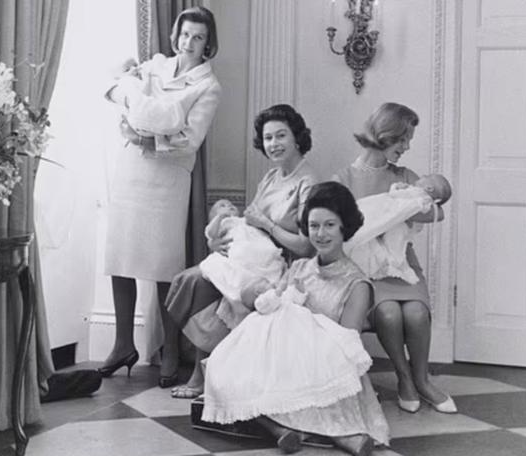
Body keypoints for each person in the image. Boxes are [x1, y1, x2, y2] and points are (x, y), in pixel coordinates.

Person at [203, 182, 388, 456]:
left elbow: (348, 346)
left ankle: (342, 436)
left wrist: (303, 324)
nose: (320, 234)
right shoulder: (300, 267)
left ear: (344, 228)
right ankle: (282, 430)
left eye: (329, 225)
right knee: (222, 367)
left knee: (286, 388)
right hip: (286, 357)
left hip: (329, 366)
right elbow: (271, 309)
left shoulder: (357, 284)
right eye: (314, 226)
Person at [159, 104, 320, 397]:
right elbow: (247, 224)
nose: (274, 144)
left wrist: (268, 226)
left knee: (203, 284)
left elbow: (307, 246)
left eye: (281, 136)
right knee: (193, 279)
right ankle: (207, 370)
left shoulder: (308, 183)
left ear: (297, 137)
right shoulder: (271, 177)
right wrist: (216, 242)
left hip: (281, 267)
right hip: (250, 257)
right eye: (268, 138)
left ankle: (203, 374)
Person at [99, 6, 222, 377]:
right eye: (184, 35)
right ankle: (123, 343)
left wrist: (143, 133)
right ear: (176, 35)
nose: (188, 43)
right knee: (121, 257)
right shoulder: (154, 66)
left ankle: (170, 348)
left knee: (163, 266)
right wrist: (139, 109)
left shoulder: (208, 87)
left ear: (207, 43)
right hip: (132, 170)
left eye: (197, 37)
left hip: (167, 179)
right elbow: (117, 91)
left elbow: (187, 141)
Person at [334, 102, 457, 414]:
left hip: (402, 265)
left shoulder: (405, 176)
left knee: (416, 313)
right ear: (384, 135)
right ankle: (403, 379)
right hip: (367, 269)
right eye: (403, 139)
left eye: (409, 140)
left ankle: (422, 380)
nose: (407, 146)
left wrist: (405, 205)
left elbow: (436, 211)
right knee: (388, 314)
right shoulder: (344, 178)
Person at [346, 173, 452, 283]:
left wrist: (397, 189)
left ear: (429, 188)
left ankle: (389, 260)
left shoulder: (420, 195)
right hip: (395, 219)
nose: (423, 176)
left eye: (426, 177)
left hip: (397, 220)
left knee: (388, 238)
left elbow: (397, 198)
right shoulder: (419, 196)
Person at [199, 198, 286, 329]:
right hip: (242, 246)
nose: (228, 206)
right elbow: (211, 234)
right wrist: (220, 217)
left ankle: (270, 277)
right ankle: (258, 289)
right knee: (239, 255)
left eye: (231, 204)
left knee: (267, 251)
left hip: (258, 243)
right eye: (222, 206)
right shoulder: (224, 223)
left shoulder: (245, 221)